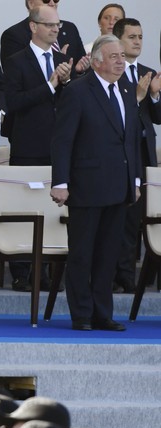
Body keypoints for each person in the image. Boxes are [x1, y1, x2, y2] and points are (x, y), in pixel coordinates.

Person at [51, 35, 140, 332]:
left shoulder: (126, 90)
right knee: (82, 253)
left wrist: (135, 179)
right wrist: (60, 182)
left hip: (118, 186)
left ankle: (103, 313)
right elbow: (62, 141)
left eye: (122, 57)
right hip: (86, 186)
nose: (120, 61)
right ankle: (82, 315)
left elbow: (131, 141)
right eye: (114, 56)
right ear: (98, 61)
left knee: (108, 254)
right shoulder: (78, 91)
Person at [2, 4, 72, 292]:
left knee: (50, 209)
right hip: (28, 144)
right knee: (24, 207)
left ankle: (44, 271)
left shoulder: (61, 59)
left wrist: (66, 83)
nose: (56, 29)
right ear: (34, 27)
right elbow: (14, 102)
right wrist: (51, 84)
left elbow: (67, 104)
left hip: (56, 146)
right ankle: (21, 272)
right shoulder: (17, 60)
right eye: (49, 25)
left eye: (57, 25)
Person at [113, 17, 161, 294]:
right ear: (119, 40)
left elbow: (157, 117)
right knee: (120, 219)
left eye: (141, 37)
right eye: (132, 37)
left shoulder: (147, 71)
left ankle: (129, 276)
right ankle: (117, 276)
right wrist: (139, 96)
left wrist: (154, 96)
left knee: (137, 221)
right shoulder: (113, 71)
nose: (138, 41)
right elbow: (117, 114)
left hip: (143, 156)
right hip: (120, 156)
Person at [0, 0, 87, 72]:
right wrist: (56, 61)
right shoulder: (13, 35)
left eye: (56, 0)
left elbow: (81, 70)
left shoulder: (70, 29)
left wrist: (77, 71)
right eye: (46, 0)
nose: (52, 3)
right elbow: (14, 77)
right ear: (31, 4)